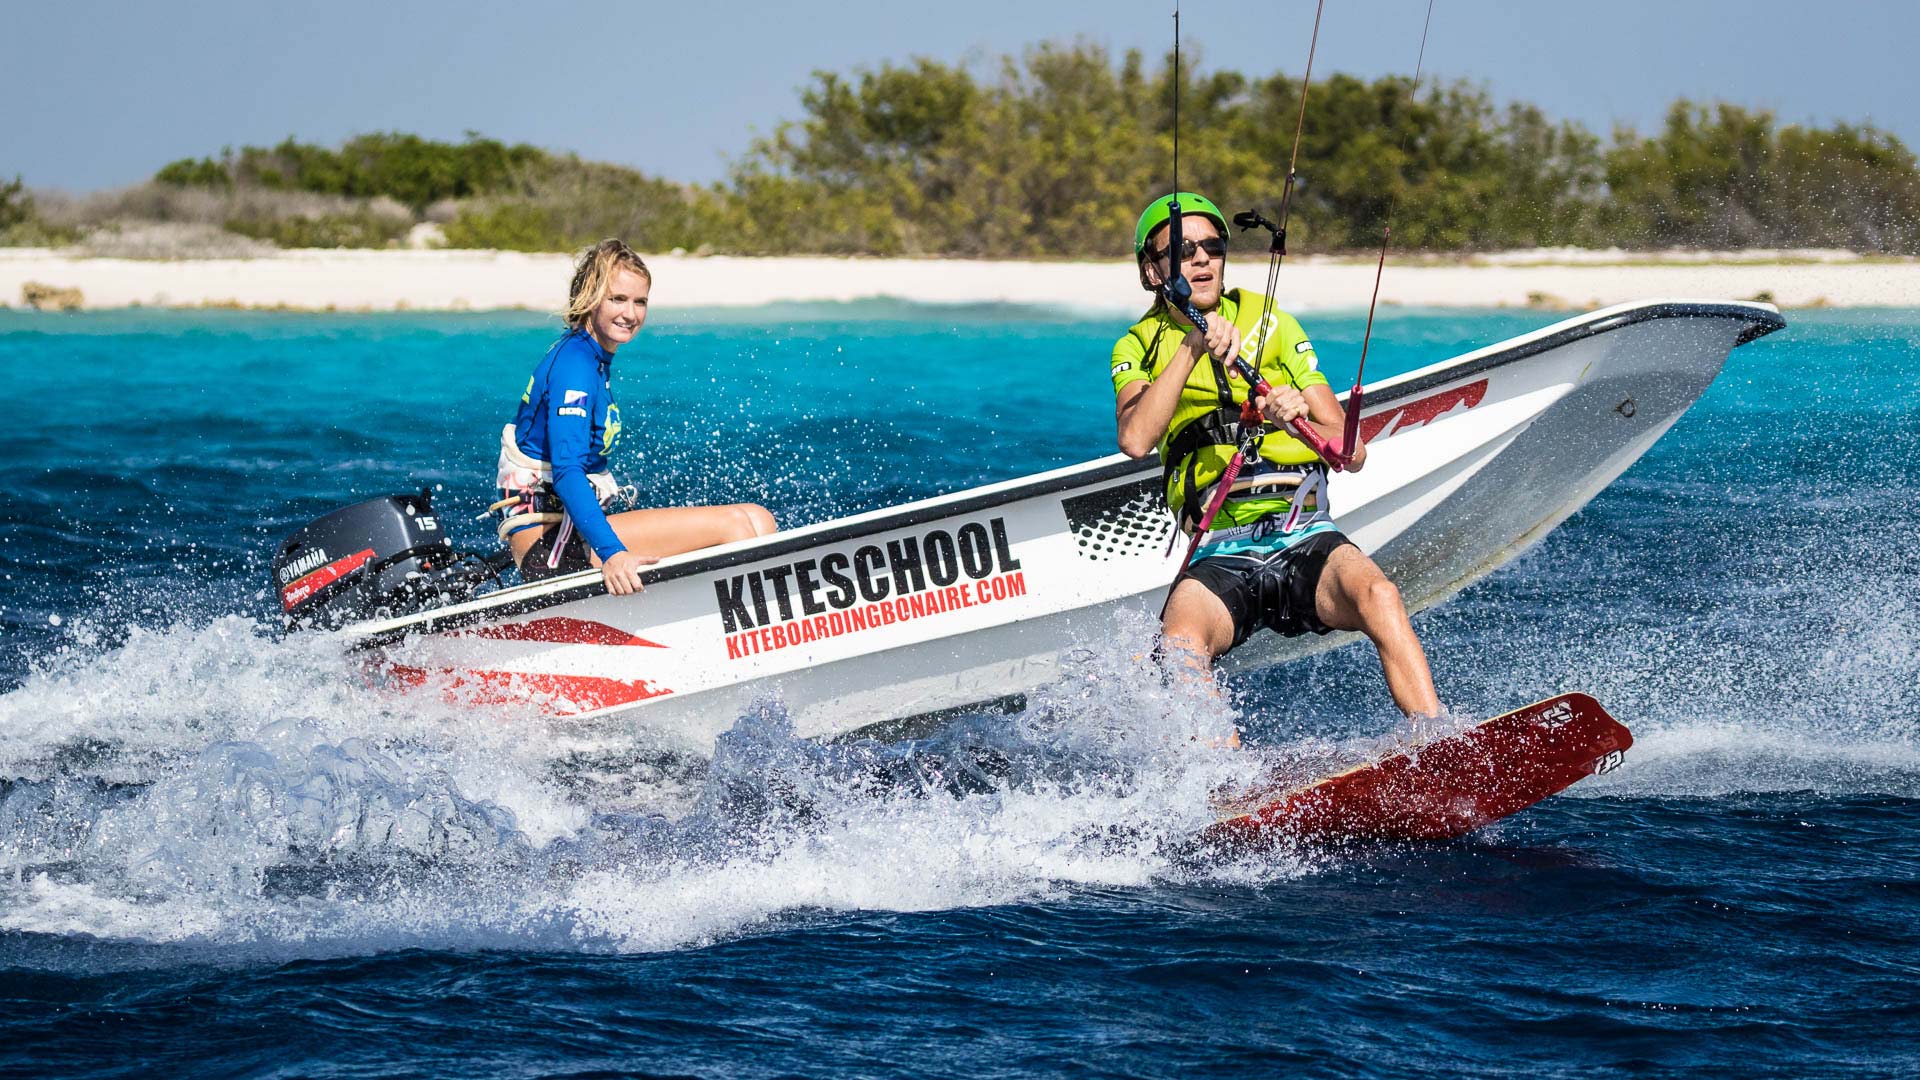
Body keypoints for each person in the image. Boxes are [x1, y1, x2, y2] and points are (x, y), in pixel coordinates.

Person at [1110, 193, 1441, 720]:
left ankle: (1437, 743)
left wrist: (1298, 419)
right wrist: (1192, 346)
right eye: (1182, 250)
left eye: (1212, 247)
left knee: (1380, 594)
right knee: (1179, 647)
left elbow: (1350, 452)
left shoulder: (1275, 324)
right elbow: (1134, 438)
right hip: (1221, 552)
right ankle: (1228, 792)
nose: (1200, 259)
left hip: (1306, 535)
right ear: (1153, 272)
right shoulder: (1138, 345)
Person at [494, 239, 776, 595]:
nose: (630, 313)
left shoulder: (590, 358)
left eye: (639, 301)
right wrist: (613, 555)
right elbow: (566, 474)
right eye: (617, 299)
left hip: (569, 532)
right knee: (735, 525)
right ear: (591, 297)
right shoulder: (576, 367)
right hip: (553, 548)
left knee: (758, 518)